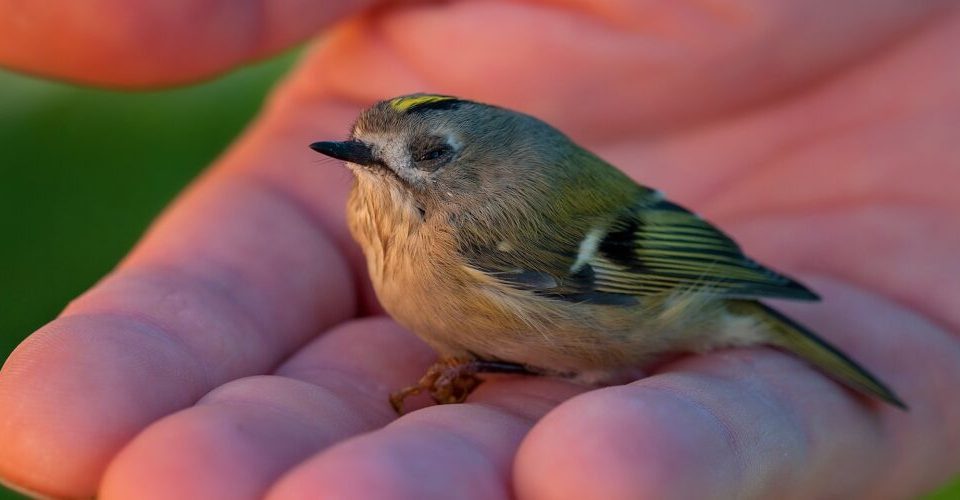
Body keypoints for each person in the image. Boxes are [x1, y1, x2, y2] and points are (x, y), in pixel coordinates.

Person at [1, 1, 958, 498]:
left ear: (473, 167)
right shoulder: (408, 226)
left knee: (612, 446)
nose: (372, 166)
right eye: (366, 150)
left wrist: (740, 292)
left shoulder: (484, 230)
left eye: (421, 157)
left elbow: (649, 247)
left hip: (665, 288)